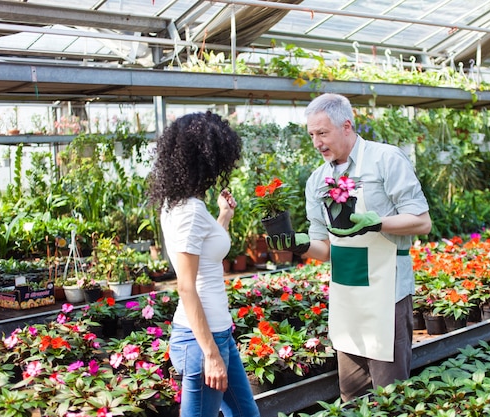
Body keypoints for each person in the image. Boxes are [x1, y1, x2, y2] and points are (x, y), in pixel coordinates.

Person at [267, 93, 432, 401]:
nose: (317, 142)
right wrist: (296, 244)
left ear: (346, 126)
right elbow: (325, 248)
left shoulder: (385, 159)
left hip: (388, 293)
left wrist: (375, 223)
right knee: (352, 396)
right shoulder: (318, 180)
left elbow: (422, 222)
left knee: (390, 396)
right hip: (347, 295)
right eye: (312, 135)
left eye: (322, 133)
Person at [148, 112, 260, 417]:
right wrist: (211, 354)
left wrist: (223, 216)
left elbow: (206, 256)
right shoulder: (190, 211)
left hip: (219, 333)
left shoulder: (182, 205)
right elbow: (186, 287)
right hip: (201, 343)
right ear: (208, 157)